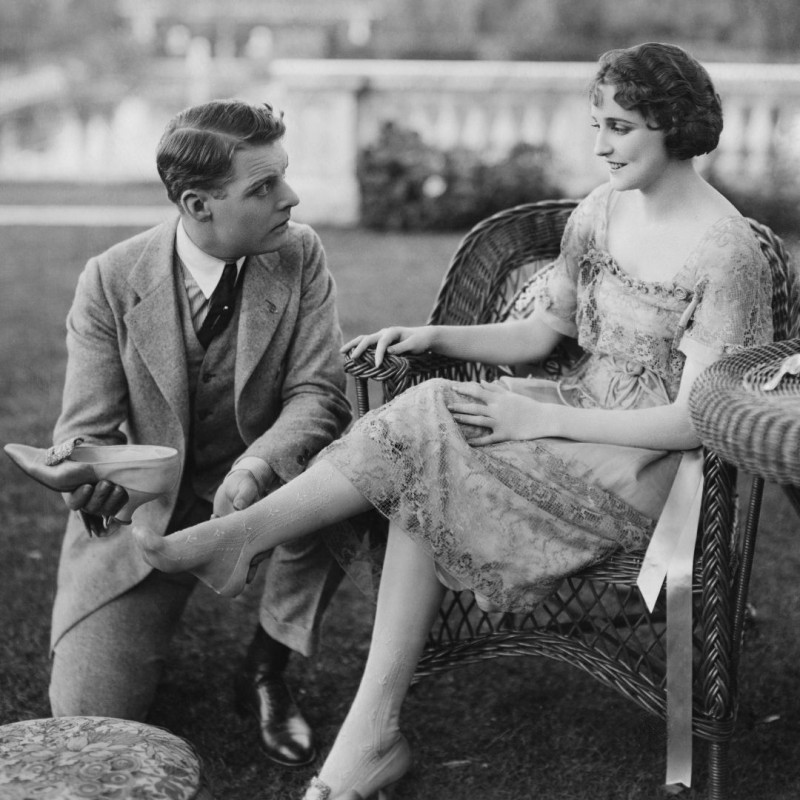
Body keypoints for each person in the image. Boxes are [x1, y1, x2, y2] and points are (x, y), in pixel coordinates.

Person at [132, 43, 774, 799]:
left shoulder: (728, 251)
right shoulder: (600, 210)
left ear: (674, 125)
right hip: (575, 413)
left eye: (621, 127)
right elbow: (544, 337)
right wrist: (434, 338)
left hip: (658, 468)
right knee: (425, 448)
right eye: (595, 123)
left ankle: (249, 547)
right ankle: (364, 734)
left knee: (428, 441)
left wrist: (536, 420)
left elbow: (695, 425)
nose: (600, 144)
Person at [6, 99, 352, 768]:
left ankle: (265, 666)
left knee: (351, 477)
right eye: (264, 187)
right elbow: (84, 432)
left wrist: (258, 468)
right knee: (90, 719)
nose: (292, 196)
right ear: (199, 206)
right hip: (151, 515)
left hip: (273, 495)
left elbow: (318, 394)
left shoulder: (299, 253)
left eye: (282, 175)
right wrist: (96, 483)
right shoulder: (110, 279)